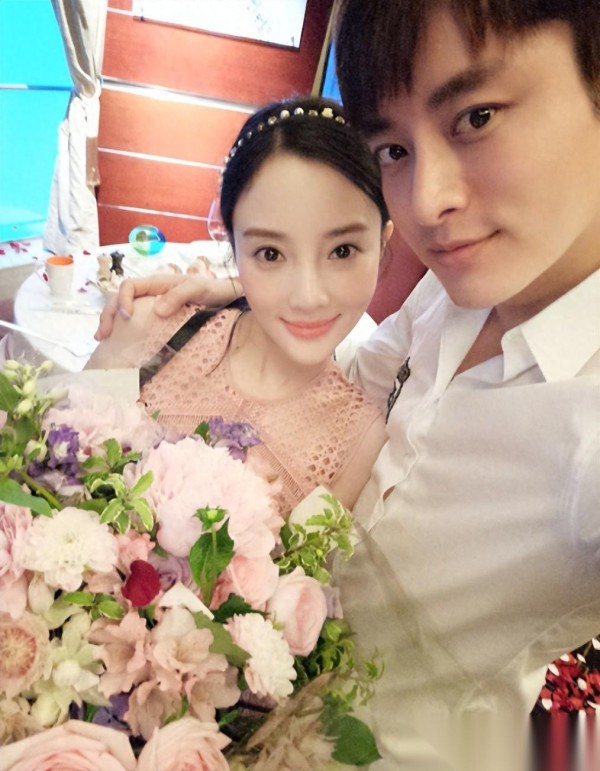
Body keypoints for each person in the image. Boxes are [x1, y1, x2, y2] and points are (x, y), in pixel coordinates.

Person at [95, 2, 600, 768]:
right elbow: (359, 372)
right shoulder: (459, 294)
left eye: (477, 116)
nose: (426, 201)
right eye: (394, 148)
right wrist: (250, 297)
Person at [88, 95, 392, 515]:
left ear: (383, 242)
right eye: (270, 253)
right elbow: (41, 467)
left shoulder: (358, 441)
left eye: (342, 251)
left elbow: (302, 561)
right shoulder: (147, 327)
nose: (308, 297)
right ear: (232, 246)